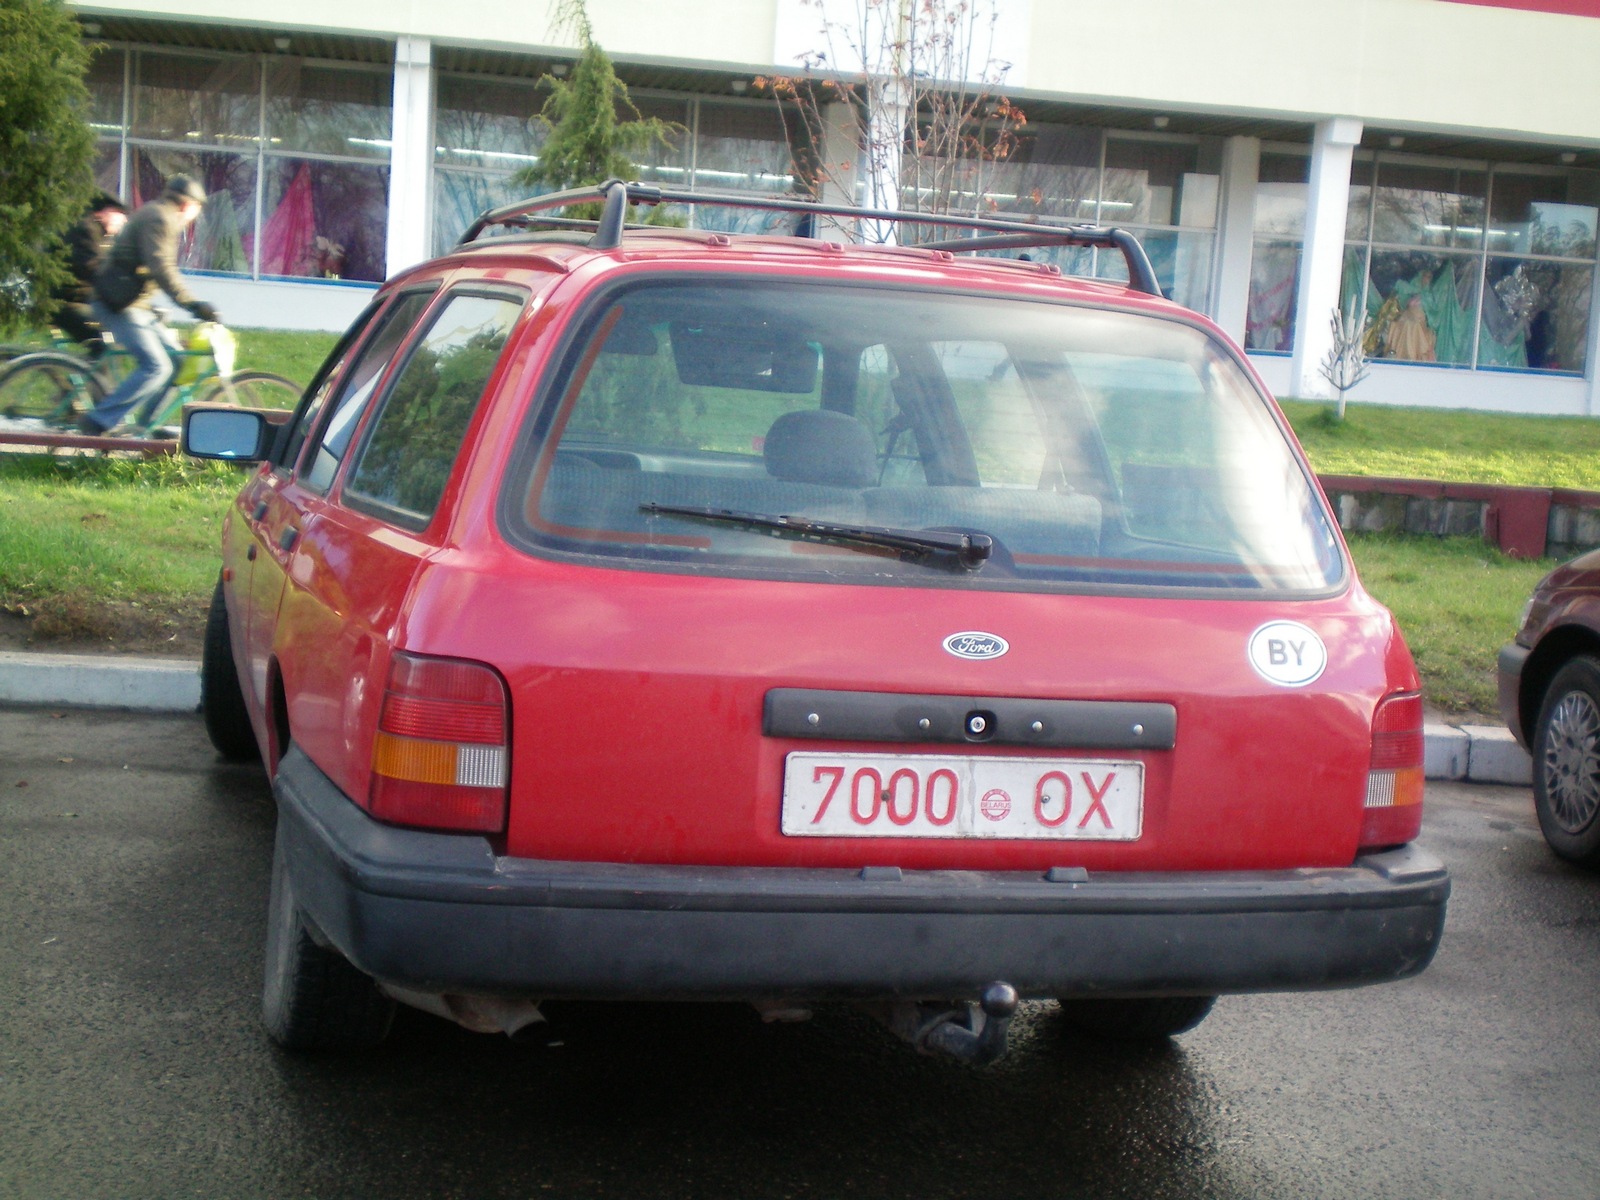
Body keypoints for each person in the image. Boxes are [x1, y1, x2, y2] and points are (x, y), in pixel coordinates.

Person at [85, 174, 221, 434]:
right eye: (197, 209)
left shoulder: (159, 214)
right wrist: (193, 304)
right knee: (156, 366)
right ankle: (98, 421)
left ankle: (147, 429)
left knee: (176, 361)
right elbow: (162, 268)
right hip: (118, 304)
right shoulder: (160, 218)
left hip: (133, 303)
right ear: (187, 205)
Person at [51, 193, 127, 356]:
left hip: (77, 298)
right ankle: (92, 379)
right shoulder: (86, 230)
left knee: (113, 330)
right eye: (119, 213)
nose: (124, 220)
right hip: (62, 302)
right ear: (101, 213)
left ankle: (89, 375)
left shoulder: (102, 235)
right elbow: (95, 269)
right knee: (101, 342)